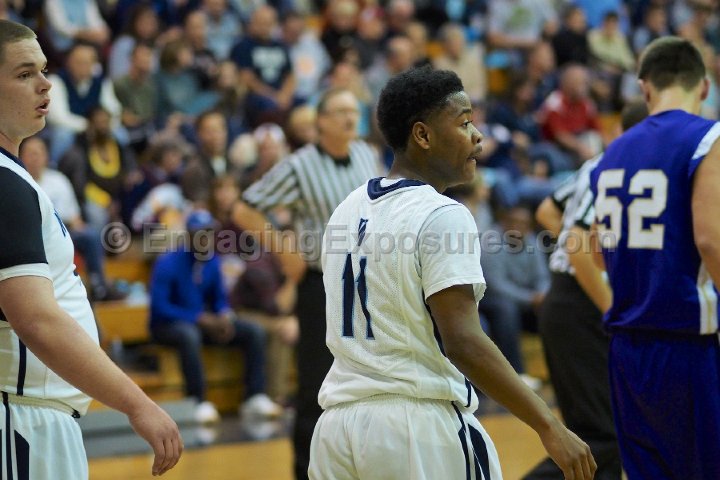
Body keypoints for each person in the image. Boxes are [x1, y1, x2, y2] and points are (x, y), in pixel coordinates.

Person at [309, 65, 596, 480]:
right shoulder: (442, 214)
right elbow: (463, 342)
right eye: (463, 123)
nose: (478, 136)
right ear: (422, 135)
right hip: (415, 427)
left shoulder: (346, 209)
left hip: (336, 431)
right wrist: (549, 425)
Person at [0, 19, 181, 478]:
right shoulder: (5, 185)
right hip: (20, 419)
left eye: (44, 70)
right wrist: (137, 403)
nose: (45, 84)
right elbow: (36, 319)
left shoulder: (13, 178)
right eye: (24, 74)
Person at [232, 87, 382, 480]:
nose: (350, 117)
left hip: (366, 281)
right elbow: (244, 209)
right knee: (317, 382)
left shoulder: (366, 155)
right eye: (341, 111)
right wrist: (284, 249)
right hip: (321, 283)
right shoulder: (299, 165)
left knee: (367, 378)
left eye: (354, 111)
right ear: (322, 121)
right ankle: (306, 471)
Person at [589, 36, 720, 479]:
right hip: (688, 345)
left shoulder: (613, 150)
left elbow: (597, 250)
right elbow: (711, 241)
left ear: (644, 88)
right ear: (704, 86)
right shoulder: (708, 137)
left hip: (626, 350)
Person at [528, 100, 650, 480]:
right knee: (603, 438)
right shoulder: (619, 169)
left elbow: (547, 210)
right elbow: (579, 246)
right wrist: (612, 308)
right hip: (582, 307)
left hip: (571, 302)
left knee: (606, 436)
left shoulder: (597, 163)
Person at [149, 209, 284, 424]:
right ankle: (197, 400)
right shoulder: (168, 262)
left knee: (254, 331)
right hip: (168, 326)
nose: (206, 239)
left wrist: (224, 316)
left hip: (201, 323)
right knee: (189, 335)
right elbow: (159, 307)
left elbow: (220, 299)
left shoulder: (212, 261)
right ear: (189, 235)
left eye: (210, 233)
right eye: (200, 233)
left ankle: (254, 396)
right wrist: (198, 318)